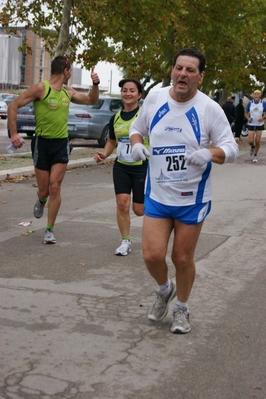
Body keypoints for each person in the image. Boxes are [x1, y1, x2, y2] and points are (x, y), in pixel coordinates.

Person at [129, 48, 239, 334]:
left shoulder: (208, 108)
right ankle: (165, 290)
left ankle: (182, 308)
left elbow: (232, 148)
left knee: (181, 258)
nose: (183, 74)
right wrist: (137, 143)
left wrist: (209, 153)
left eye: (190, 70)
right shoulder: (154, 98)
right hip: (158, 194)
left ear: (200, 78)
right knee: (152, 256)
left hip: (192, 199)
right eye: (179, 68)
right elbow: (136, 128)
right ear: (172, 71)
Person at [8, 55, 100, 244]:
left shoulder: (68, 92)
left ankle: (49, 230)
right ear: (66, 71)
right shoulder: (41, 88)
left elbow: (91, 100)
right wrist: (14, 134)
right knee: (44, 191)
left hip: (61, 144)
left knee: (55, 186)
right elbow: (13, 105)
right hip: (42, 143)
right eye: (70, 71)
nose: (69, 75)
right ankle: (41, 201)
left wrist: (95, 84)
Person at [95, 78, 148, 256]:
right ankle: (125, 241)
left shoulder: (145, 117)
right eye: (125, 90)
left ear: (139, 94)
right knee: (122, 203)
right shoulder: (115, 118)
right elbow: (111, 141)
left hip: (142, 167)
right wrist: (104, 154)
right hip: (122, 167)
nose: (127, 93)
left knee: (139, 210)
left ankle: (159, 227)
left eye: (132, 90)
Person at [244, 89, 266, 163]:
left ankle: (255, 155)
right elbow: (246, 113)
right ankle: (252, 147)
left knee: (257, 140)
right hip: (251, 124)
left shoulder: (263, 103)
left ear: (260, 95)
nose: (256, 95)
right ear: (253, 95)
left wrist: (262, 118)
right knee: (250, 141)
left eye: (258, 94)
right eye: (255, 94)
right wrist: (248, 118)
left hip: (260, 124)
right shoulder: (250, 103)